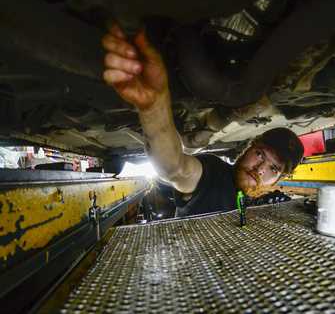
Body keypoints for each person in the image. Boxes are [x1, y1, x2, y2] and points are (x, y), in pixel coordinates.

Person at [102, 24, 304, 217]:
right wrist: (154, 106)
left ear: (278, 179)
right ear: (249, 148)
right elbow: (175, 168)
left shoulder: (270, 206)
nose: (260, 169)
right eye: (260, 154)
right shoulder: (214, 174)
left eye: (273, 168)